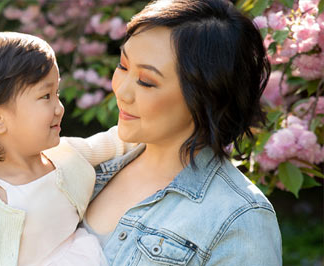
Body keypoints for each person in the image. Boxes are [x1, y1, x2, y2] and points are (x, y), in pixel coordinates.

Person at [82, 0, 282, 265]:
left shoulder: (240, 217)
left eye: (146, 81)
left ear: (205, 96)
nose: (121, 90)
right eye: (123, 66)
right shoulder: (91, 163)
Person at [0, 32, 134, 266]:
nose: (59, 107)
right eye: (45, 96)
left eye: (57, 93)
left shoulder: (68, 156)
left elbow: (121, 141)